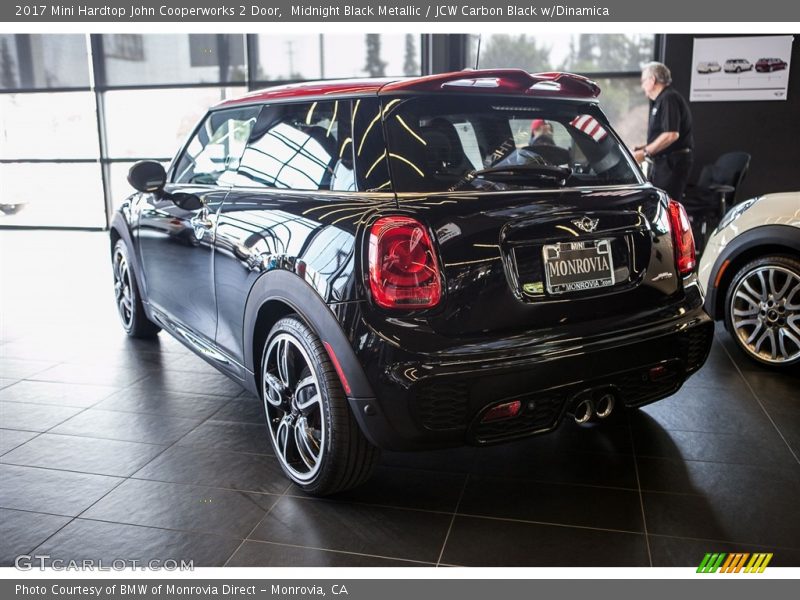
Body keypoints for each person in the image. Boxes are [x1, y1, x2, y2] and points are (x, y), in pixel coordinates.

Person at [633, 61, 694, 200]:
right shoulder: (661, 100)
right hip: (665, 163)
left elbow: (671, 134)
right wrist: (642, 147)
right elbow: (663, 134)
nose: (642, 86)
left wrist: (645, 153)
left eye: (643, 81)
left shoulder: (669, 98)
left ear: (652, 80)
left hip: (673, 163)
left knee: (666, 205)